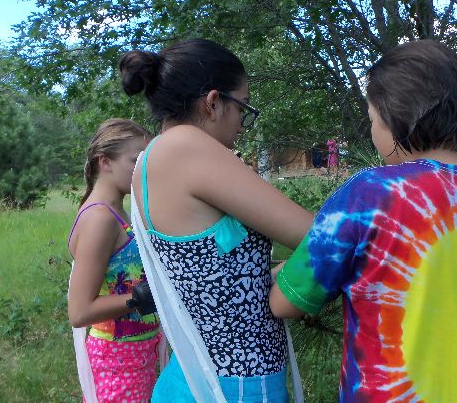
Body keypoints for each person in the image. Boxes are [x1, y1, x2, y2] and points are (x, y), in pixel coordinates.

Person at [270, 40, 457, 403]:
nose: (372, 131)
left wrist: (278, 273)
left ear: (397, 117)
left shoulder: (370, 193)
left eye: (372, 119)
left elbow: (285, 302)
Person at [119, 38, 313, 402]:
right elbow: (316, 236)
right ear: (213, 103)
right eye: (242, 107)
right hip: (236, 385)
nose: (241, 125)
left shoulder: (155, 156)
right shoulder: (186, 147)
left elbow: (211, 283)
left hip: (196, 378)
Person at [67, 118, 165, 403]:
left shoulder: (118, 211)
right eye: (136, 161)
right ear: (105, 162)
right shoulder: (100, 219)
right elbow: (80, 311)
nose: (143, 170)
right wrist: (141, 297)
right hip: (118, 362)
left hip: (137, 355)